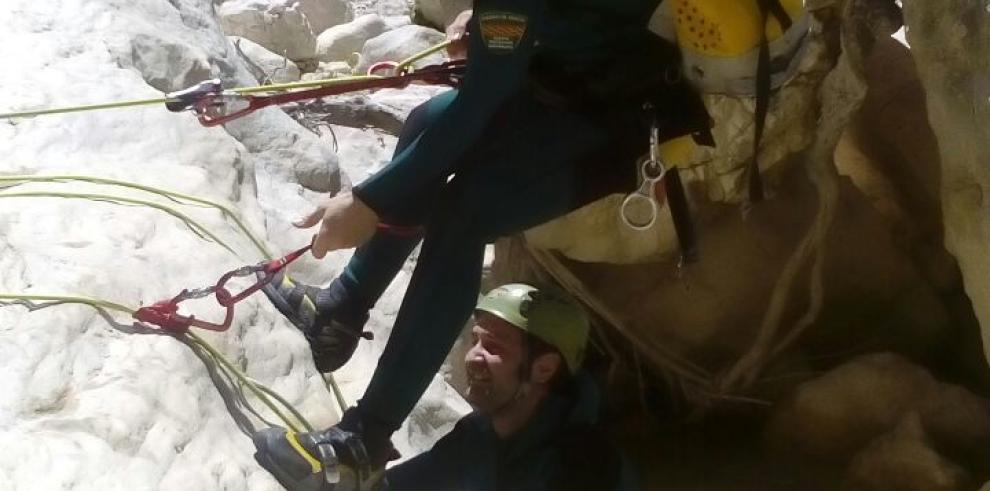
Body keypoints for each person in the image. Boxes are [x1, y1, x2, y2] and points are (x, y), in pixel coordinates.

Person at [252, 1, 712, 489]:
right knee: (425, 124)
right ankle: (342, 311)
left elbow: (482, 99)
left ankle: (362, 442)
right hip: (581, 83)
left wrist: (368, 201)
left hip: (621, 120)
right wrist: (487, 27)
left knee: (466, 213)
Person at [385, 283, 635, 491]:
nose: (472, 356)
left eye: (493, 347)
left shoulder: (586, 468)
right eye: (475, 341)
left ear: (544, 368)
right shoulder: (475, 436)